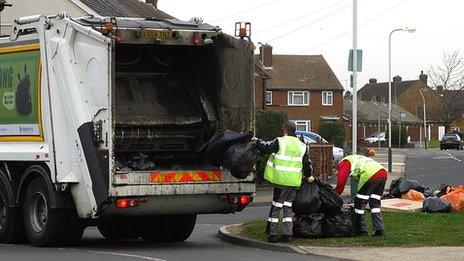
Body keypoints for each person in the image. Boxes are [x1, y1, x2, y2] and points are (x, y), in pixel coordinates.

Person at [256, 121, 313, 243]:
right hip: (294, 182)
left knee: (276, 207)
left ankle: (273, 234)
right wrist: (308, 176)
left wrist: (256, 141)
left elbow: (266, 148)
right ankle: (288, 234)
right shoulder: (302, 145)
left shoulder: (280, 141)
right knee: (288, 207)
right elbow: (307, 165)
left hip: (281, 181)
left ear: (285, 129)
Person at [334, 155, 388, 237]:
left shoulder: (344, 162)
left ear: (337, 165)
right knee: (375, 204)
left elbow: (342, 179)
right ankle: (379, 230)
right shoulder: (355, 158)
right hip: (382, 173)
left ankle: (361, 231)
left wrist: (336, 193)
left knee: (359, 203)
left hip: (370, 175)